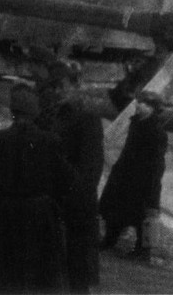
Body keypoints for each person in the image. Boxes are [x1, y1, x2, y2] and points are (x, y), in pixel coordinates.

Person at [0, 84, 73, 294]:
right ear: (35, 112)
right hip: (40, 210)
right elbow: (65, 178)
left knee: (4, 269)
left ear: (12, 112)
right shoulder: (50, 141)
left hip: (6, 209)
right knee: (39, 272)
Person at [38, 64, 105, 293]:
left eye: (62, 86)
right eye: (54, 87)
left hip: (76, 202)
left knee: (77, 271)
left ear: (76, 85)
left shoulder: (88, 117)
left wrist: (73, 197)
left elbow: (91, 167)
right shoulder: (55, 114)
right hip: (54, 199)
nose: (58, 91)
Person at [99, 90, 170, 262]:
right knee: (114, 208)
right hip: (125, 173)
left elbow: (157, 162)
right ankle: (110, 240)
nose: (138, 105)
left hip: (144, 179)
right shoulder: (136, 123)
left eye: (144, 103)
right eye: (139, 101)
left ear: (153, 108)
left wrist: (152, 183)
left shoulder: (157, 132)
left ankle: (143, 251)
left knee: (145, 214)